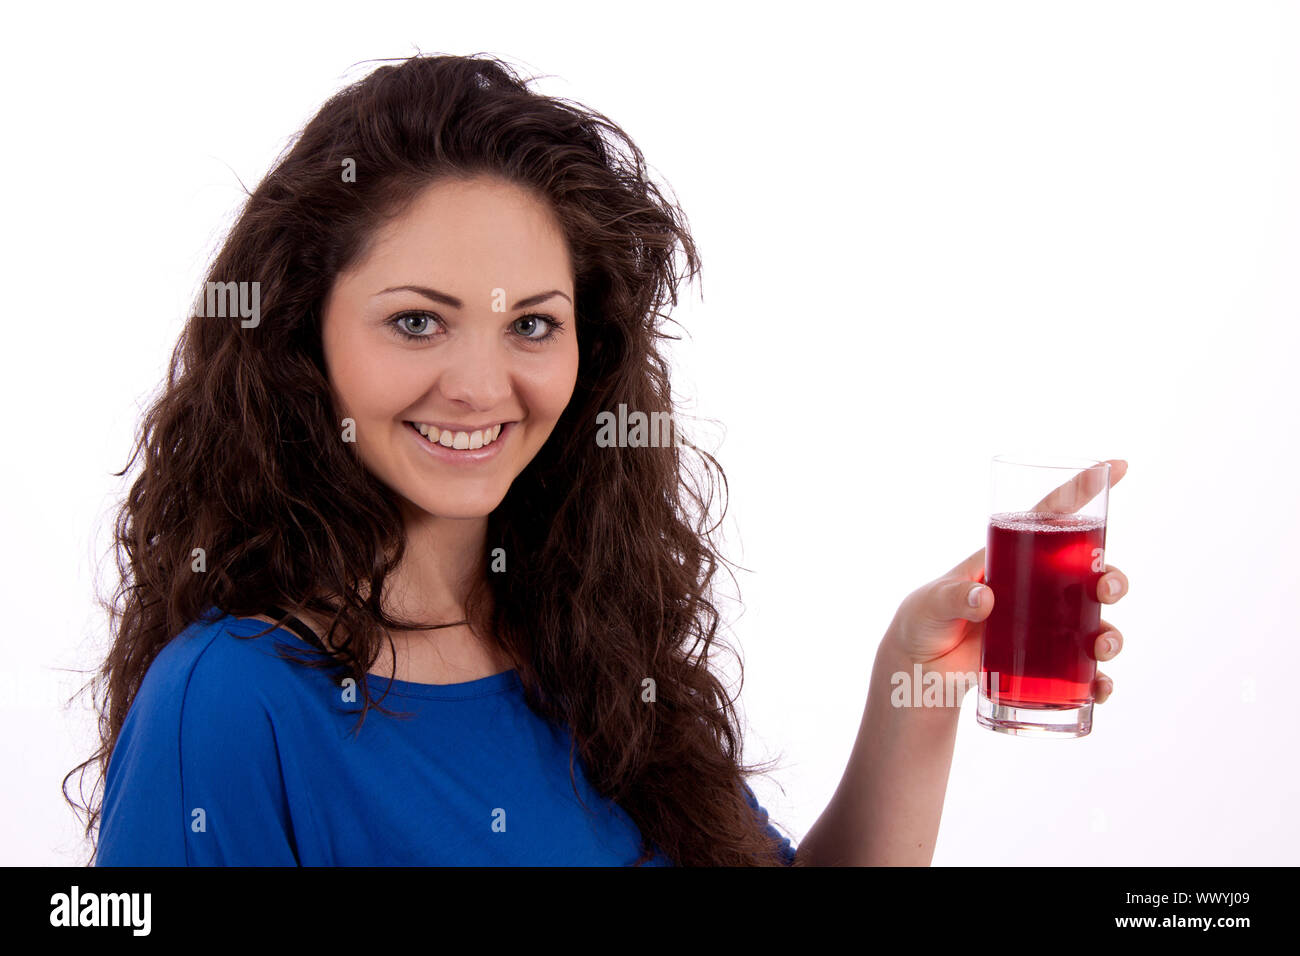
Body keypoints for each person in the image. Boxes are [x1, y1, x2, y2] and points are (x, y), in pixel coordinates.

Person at [65, 53, 1130, 867]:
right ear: (304, 336)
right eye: (417, 322)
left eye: (531, 325)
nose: (483, 387)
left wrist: (917, 687)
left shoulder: (589, 646)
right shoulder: (230, 704)